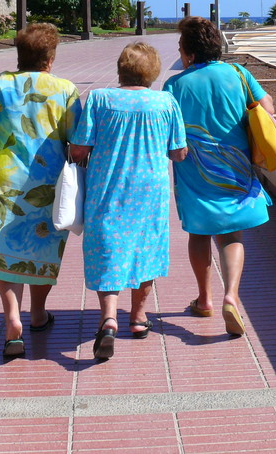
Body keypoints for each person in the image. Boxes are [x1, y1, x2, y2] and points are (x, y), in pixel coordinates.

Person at [0, 23, 80, 359]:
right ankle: (38, 314)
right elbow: (76, 138)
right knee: (40, 253)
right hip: (47, 188)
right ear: (50, 58)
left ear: (19, 56)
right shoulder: (66, 90)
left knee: (6, 251)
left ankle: (12, 319)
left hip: (3, 185)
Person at [69, 42, 187, 360]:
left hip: (108, 187)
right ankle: (137, 317)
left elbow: (79, 148)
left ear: (121, 69)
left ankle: (109, 318)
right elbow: (178, 152)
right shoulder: (166, 102)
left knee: (107, 244)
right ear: (153, 72)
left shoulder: (100, 99)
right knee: (145, 245)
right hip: (150, 189)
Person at [163, 16, 274, 338]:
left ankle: (205, 298)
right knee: (231, 234)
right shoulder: (239, 74)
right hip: (234, 164)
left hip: (193, 168)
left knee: (199, 233)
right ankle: (232, 295)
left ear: (189, 53)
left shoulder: (175, 85)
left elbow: (170, 131)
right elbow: (267, 107)